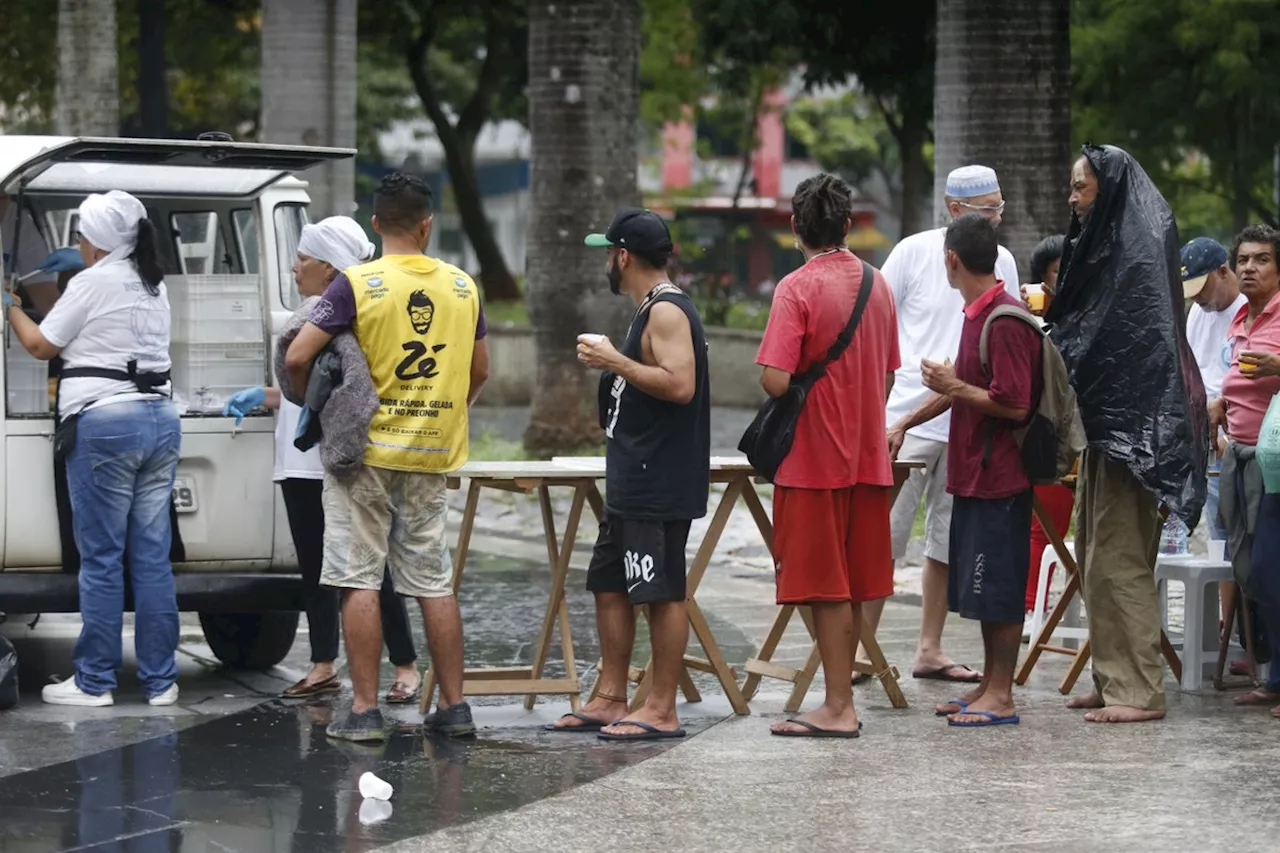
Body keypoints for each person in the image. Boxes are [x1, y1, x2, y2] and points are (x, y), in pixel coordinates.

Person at [285, 173, 490, 742]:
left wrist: (313, 403)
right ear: (428, 224)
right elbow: (481, 372)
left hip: (364, 456)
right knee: (433, 581)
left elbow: (300, 352)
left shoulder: (356, 283)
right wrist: (448, 413)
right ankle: (454, 708)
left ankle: (366, 712)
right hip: (431, 455)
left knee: (359, 580)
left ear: (376, 223)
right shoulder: (463, 287)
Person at [223, 216, 422, 704]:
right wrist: (267, 397)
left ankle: (406, 667)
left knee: (373, 568)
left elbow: (348, 387)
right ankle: (322, 665)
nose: (294, 266)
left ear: (329, 266)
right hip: (298, 460)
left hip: (344, 459)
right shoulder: (311, 315)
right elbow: (309, 387)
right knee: (315, 570)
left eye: (303, 258)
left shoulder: (357, 314)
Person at [1046, 146, 1207, 723]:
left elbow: (1130, 352)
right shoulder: (1109, 251)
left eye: (1080, 188)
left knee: (1119, 561)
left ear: (1107, 189)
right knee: (1093, 556)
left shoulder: (1134, 257)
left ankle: (1139, 690)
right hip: (1109, 435)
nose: (1072, 199)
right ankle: (1112, 676)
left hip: (1137, 439)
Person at [6, 191, 182, 707]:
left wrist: (10, 306)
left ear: (99, 241)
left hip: (105, 424)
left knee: (102, 558)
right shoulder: (154, 284)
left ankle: (95, 681)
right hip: (160, 421)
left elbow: (42, 345)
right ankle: (160, 681)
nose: (79, 246)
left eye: (82, 237)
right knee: (151, 559)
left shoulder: (91, 281)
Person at [549, 207, 710, 741]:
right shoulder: (648, 308)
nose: (606, 264)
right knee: (611, 584)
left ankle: (661, 707)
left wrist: (614, 361)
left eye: (607, 254)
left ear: (623, 255)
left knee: (660, 591)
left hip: (657, 478)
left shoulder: (667, 311)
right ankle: (611, 695)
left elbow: (679, 384)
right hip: (631, 476)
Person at [756, 173, 899, 737]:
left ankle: (839, 706)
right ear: (846, 224)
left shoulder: (796, 288)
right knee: (856, 581)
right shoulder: (878, 284)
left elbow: (774, 380)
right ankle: (839, 698)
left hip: (812, 459)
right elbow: (888, 372)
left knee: (823, 585)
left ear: (795, 227)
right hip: (867, 455)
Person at [874, 165, 1022, 684]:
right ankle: (858, 651)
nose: (996, 220)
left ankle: (929, 648)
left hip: (965, 418)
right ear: (954, 208)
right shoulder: (914, 252)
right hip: (906, 419)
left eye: (1000, 209)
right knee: (883, 538)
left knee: (943, 540)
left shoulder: (1001, 260)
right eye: (987, 211)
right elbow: (876, 323)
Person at [899, 214, 1042, 726]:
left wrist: (954, 386)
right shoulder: (976, 313)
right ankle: (988, 683)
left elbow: (1014, 404)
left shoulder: (1003, 319)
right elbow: (961, 386)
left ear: (952, 261)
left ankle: (1001, 695)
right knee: (982, 589)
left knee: (998, 589)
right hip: (974, 474)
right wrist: (908, 421)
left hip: (1000, 478)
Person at [1213, 225, 1280, 718]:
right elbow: (1238, 378)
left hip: (1273, 463)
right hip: (1237, 457)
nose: (1250, 268)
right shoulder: (1240, 316)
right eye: (1243, 260)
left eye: (1261, 260)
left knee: (1268, 570)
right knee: (1251, 571)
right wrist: (1220, 403)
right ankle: (1273, 677)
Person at [1181, 237, 1248, 645]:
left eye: (1204, 288)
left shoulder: (1247, 313)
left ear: (1224, 271)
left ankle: (1247, 632)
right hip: (1204, 437)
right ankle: (1230, 628)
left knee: (1240, 533)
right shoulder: (1198, 312)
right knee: (1219, 535)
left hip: (1235, 435)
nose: (1201, 300)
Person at [1022, 234, 1073, 622]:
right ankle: (1029, 610)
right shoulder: (1032, 321)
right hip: (1045, 438)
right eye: (1058, 270)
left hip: (1084, 439)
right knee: (1042, 529)